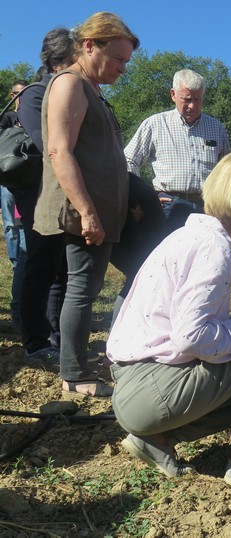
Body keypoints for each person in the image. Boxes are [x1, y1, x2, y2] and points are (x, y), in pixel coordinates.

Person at [108, 153, 231, 486]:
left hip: (134, 381)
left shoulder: (186, 236)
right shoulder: (214, 248)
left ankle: (156, 440)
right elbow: (191, 337)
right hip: (150, 390)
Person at [33, 11, 139, 398]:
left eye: (126, 61)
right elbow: (60, 151)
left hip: (103, 210)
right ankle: (75, 374)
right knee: (82, 288)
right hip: (85, 212)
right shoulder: (70, 84)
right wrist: (88, 211)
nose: (123, 68)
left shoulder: (92, 89)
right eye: (118, 59)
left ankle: (111, 354)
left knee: (93, 285)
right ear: (90, 45)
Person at [14, 28, 75, 364]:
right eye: (70, 62)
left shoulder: (63, 91)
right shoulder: (36, 95)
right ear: (55, 64)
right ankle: (36, 342)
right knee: (39, 266)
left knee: (63, 268)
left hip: (62, 194)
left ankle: (57, 338)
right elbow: (46, 143)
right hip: (38, 195)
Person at [125, 69, 231, 232]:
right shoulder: (155, 124)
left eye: (197, 99)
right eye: (186, 99)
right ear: (173, 94)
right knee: (166, 256)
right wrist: (140, 198)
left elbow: (227, 170)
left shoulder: (216, 128)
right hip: (167, 207)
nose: (192, 105)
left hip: (207, 209)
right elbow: (129, 160)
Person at [1, 80, 29, 332]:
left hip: (25, 182)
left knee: (22, 234)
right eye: (19, 94)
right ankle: (15, 261)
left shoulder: (32, 116)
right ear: (13, 95)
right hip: (8, 180)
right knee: (11, 226)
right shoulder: (8, 117)